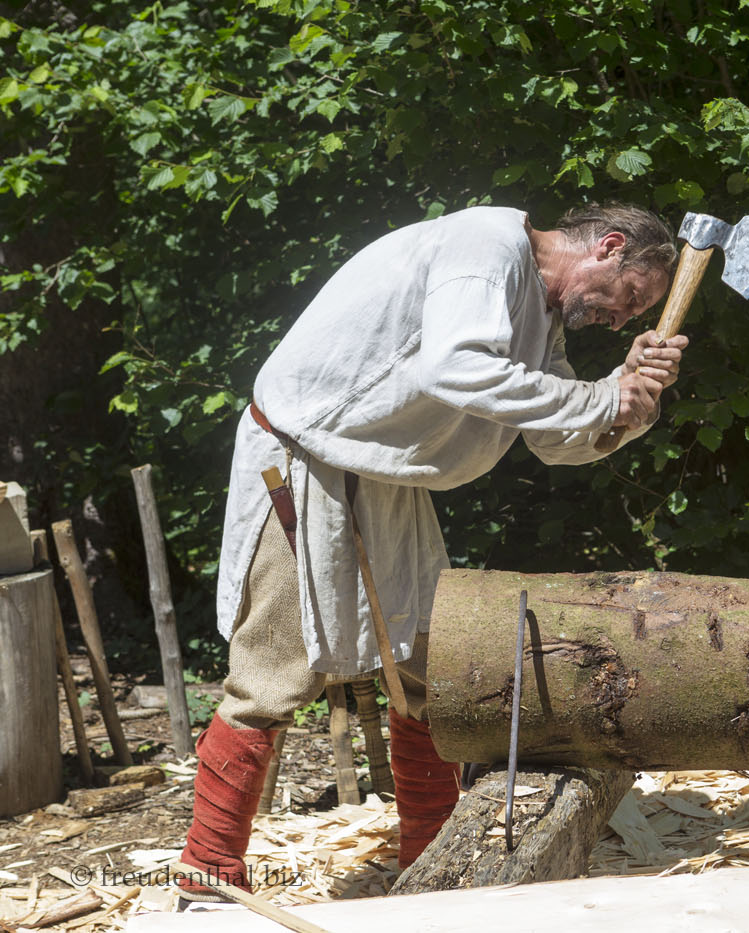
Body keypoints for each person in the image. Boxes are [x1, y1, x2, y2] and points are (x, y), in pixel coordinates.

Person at [178, 203, 685, 895]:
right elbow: (457, 368)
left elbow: (550, 433)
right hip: (301, 458)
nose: (621, 319)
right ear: (609, 247)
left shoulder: (540, 313)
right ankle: (206, 877)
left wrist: (629, 406)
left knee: (421, 668)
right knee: (269, 677)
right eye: (629, 296)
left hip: (383, 479)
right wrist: (600, 398)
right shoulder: (487, 246)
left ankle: (429, 872)